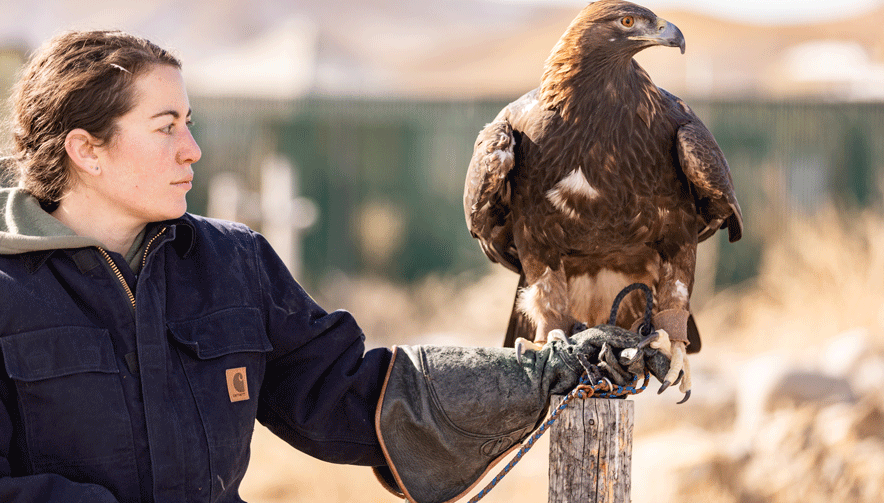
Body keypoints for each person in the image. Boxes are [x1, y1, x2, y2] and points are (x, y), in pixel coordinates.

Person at [0, 30, 668, 503]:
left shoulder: (230, 262)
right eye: (165, 125)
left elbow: (350, 394)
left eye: (190, 121)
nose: (193, 149)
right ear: (88, 149)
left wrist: (539, 375)